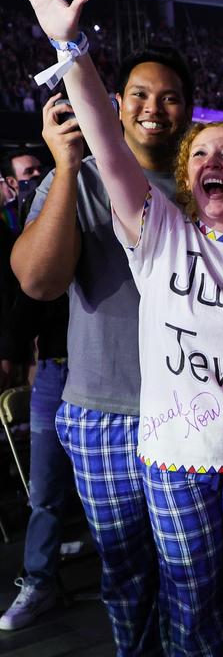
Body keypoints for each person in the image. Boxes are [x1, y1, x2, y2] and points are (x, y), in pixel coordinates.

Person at [14, 0, 223, 654]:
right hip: (136, 426)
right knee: (153, 584)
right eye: (140, 95)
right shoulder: (131, 208)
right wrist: (68, 47)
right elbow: (42, 272)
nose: (213, 163)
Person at [12, 0, 194, 657]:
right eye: (141, 93)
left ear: (190, 110)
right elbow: (37, 282)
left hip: (190, 415)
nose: (155, 107)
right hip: (105, 415)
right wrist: (63, 169)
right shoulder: (83, 178)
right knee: (126, 578)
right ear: (114, 103)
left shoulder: (204, 186)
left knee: (189, 575)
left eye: (172, 97)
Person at [0, 109, 72, 633]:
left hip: (117, 374)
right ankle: (40, 579)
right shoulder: (49, 204)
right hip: (55, 367)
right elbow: (25, 299)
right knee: (44, 486)